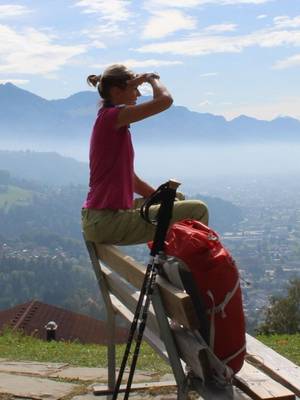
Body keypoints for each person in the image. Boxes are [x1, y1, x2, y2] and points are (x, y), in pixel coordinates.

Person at [81, 64, 208, 245]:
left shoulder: (109, 120)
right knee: (198, 210)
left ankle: (167, 259)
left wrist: (158, 197)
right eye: (134, 89)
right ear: (117, 91)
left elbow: (130, 179)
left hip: (100, 219)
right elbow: (164, 101)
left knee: (176, 200)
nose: (138, 95)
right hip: (106, 222)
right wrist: (151, 78)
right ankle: (186, 269)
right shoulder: (112, 117)